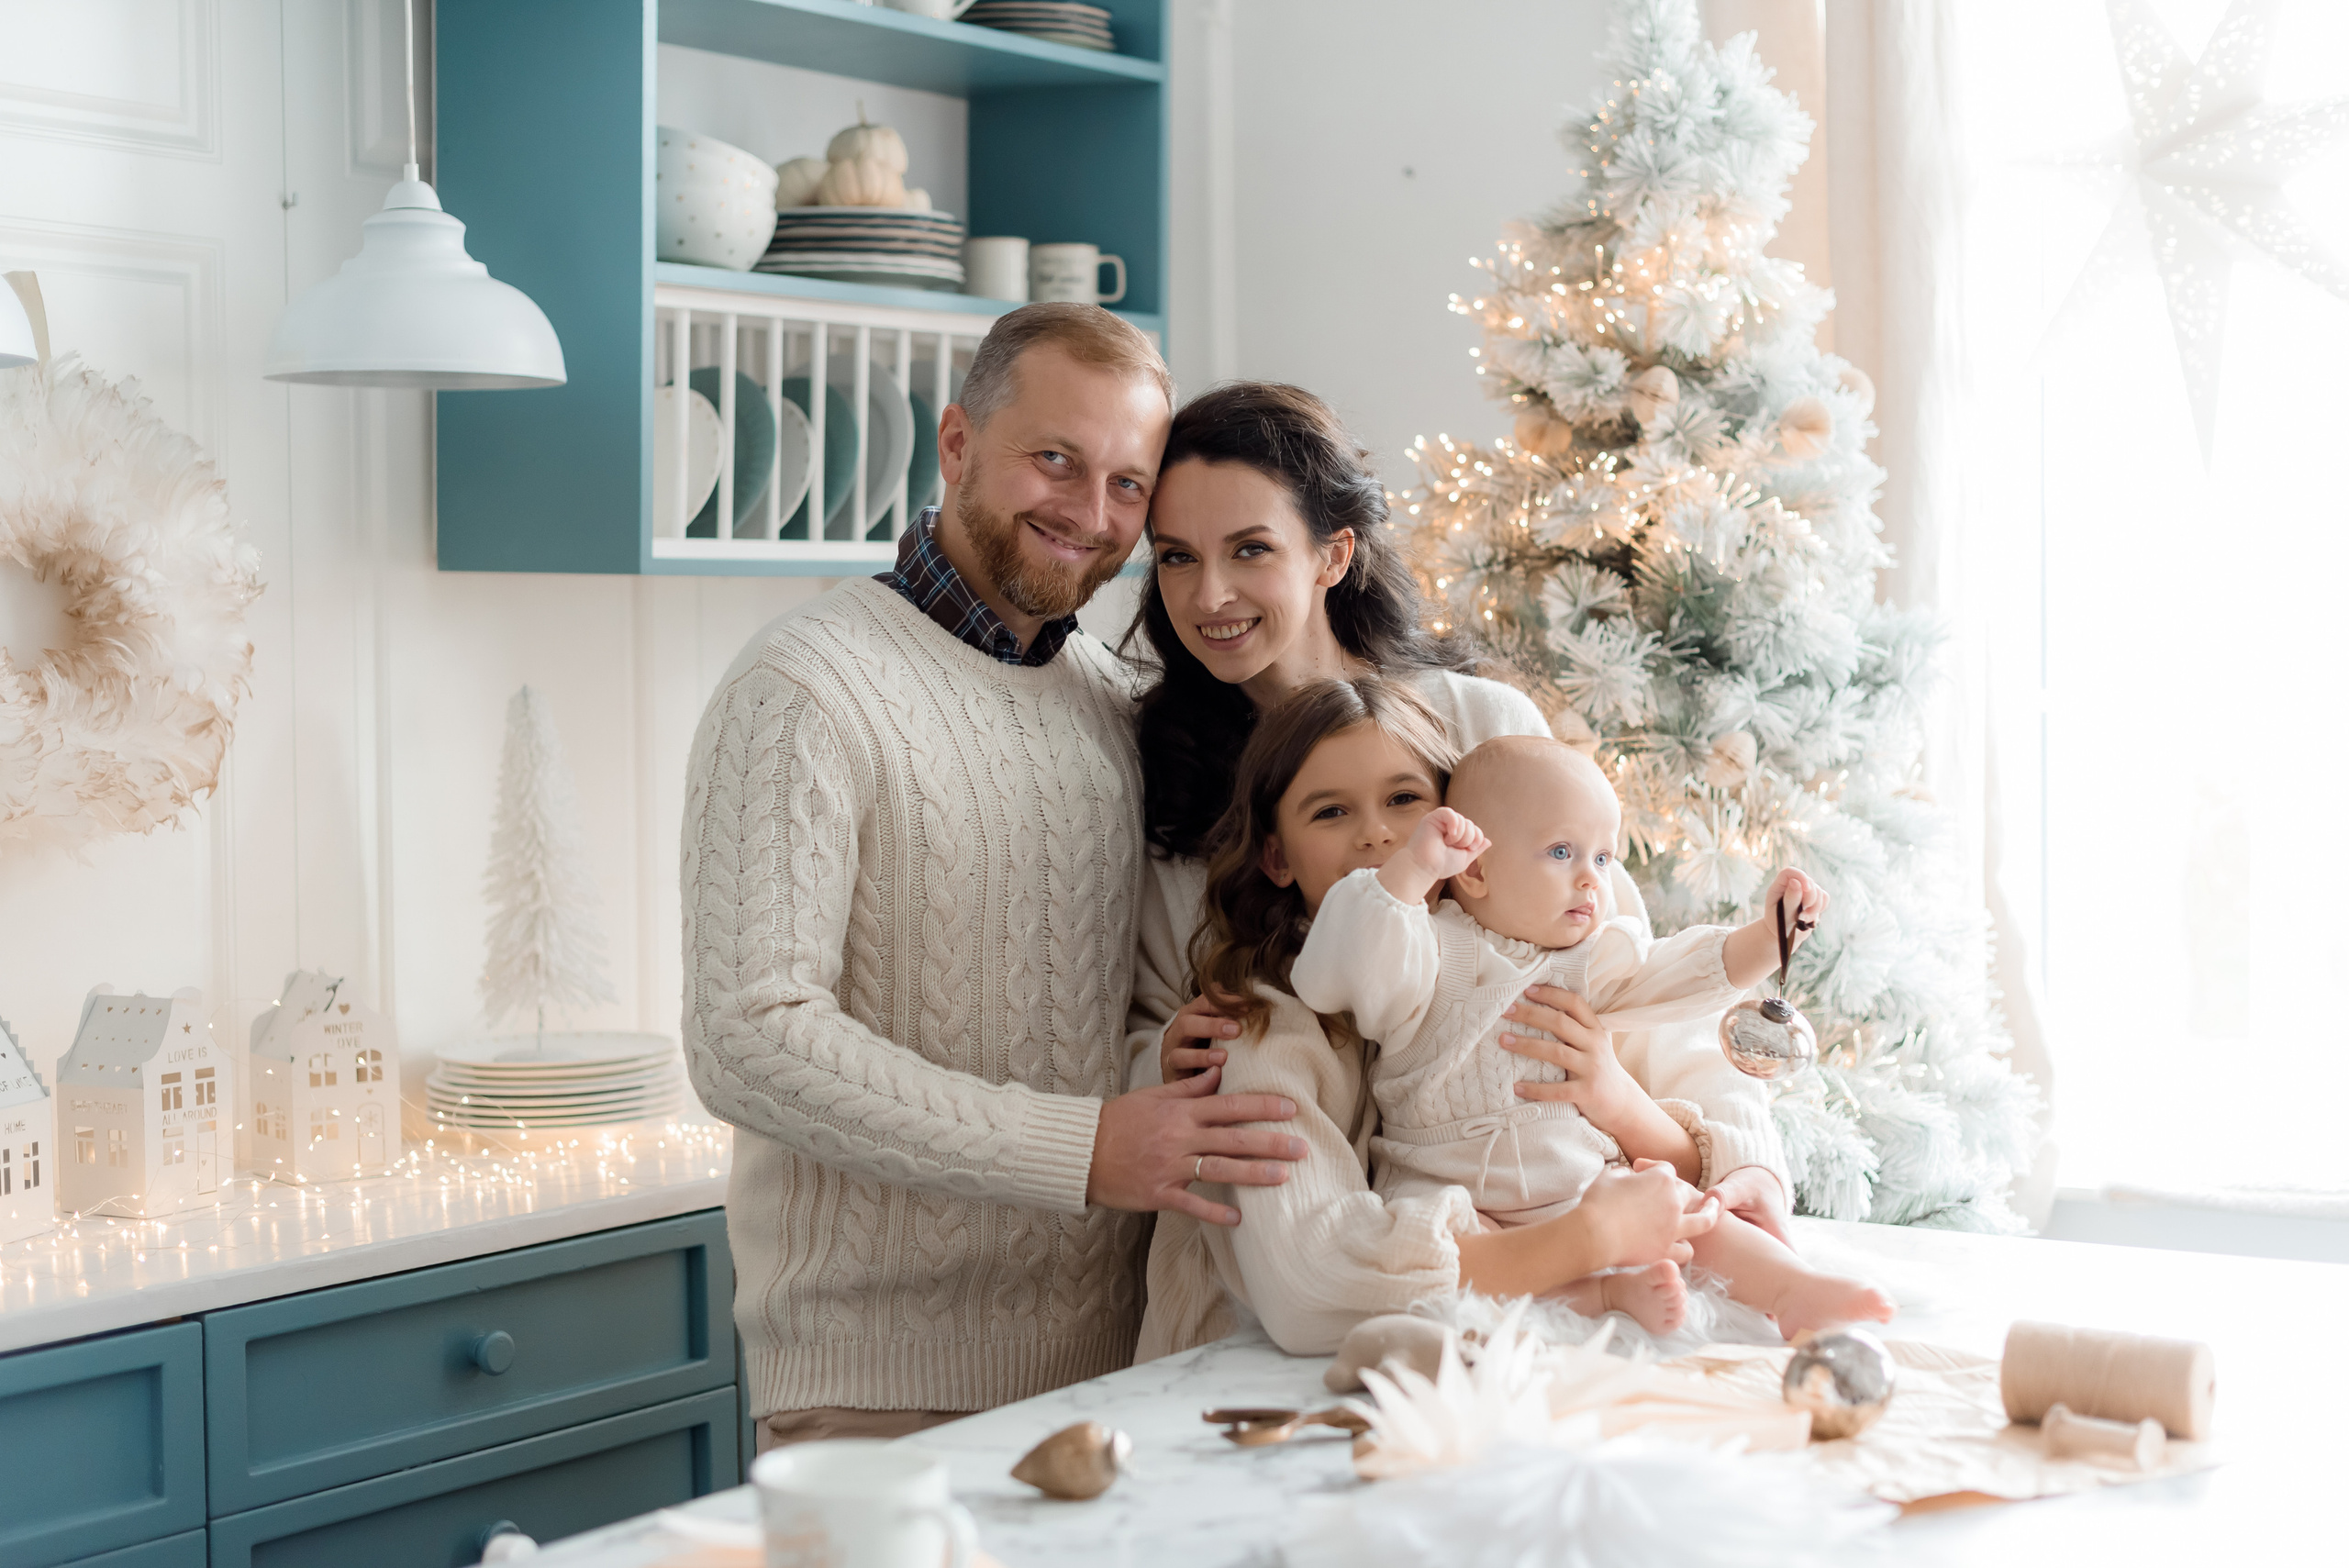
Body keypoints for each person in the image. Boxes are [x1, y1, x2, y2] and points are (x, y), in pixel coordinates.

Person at [680, 305, 1304, 1451]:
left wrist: (1159, 1057)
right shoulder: (804, 684)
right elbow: (747, 1036)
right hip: (878, 1384)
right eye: (1055, 459)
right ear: (957, 443)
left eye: (1127, 484)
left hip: (1125, 1367)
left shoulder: (1117, 705)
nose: (1090, 513)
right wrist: (1082, 1147)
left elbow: (1112, 1005)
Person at [1121, 383, 1776, 1354]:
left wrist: (1729, 1148)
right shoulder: (1168, 770)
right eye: (1176, 556)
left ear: (1334, 553)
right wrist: (1163, 1054)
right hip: (1281, 1253)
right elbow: (1147, 1023)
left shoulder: (1476, 725)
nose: (1208, 595)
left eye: (1249, 549)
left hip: (1539, 1226)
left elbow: (1611, 957)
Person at [1141, 677, 1721, 1353]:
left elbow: (1685, 1141)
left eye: (1404, 799)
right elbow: (1312, 1290)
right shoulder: (1256, 1032)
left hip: (1525, 1340)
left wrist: (1620, 1102)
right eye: (1330, 812)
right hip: (1243, 1384)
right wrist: (1588, 1238)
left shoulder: (1525, 964)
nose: (1378, 834)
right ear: (1276, 856)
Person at [1292, 728, 1897, 1340]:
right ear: (1473, 869)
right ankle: (1605, 1290)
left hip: (1581, 1184)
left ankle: (1794, 1288)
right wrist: (1411, 871)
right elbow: (1344, 969)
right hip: (1451, 1187)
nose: (1592, 879)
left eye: (1603, 858)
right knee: (1452, 1261)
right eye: (1562, 852)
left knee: (1688, 1213)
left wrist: (1768, 937)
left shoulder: (1591, 961)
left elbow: (1681, 972)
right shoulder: (1427, 951)